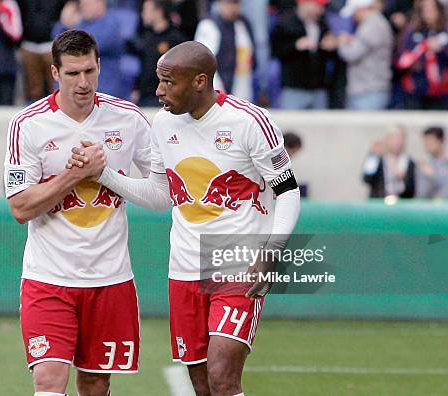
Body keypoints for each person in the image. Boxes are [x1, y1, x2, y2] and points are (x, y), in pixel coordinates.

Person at [68, 41, 301, 396]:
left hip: (236, 265)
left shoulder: (249, 121)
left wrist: (273, 250)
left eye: (168, 82)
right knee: (202, 383)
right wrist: (104, 175)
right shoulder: (163, 125)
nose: (159, 90)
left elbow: (288, 191)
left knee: (223, 375)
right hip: (184, 269)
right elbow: (162, 196)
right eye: (158, 81)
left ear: (200, 82)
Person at [4, 29, 151, 396]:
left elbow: (162, 191)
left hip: (109, 278)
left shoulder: (129, 119)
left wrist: (106, 175)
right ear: (55, 73)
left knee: (96, 385)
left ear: (100, 66)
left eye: (89, 71)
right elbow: (20, 207)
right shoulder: (29, 125)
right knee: (49, 381)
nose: (82, 82)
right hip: (48, 278)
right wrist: (74, 175)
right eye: (72, 73)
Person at [271, 0, 338, 109]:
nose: (321, 10)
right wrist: (295, 46)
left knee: (321, 125)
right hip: (294, 88)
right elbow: (275, 51)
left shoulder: (322, 24)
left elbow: (328, 56)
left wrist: (332, 46)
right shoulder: (285, 22)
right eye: (318, 6)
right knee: (291, 124)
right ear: (305, 4)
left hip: (318, 88)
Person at [52, 0, 127, 98]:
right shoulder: (82, 22)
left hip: (105, 88)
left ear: (100, 3)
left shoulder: (112, 24)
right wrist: (63, 22)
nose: (83, 8)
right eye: (82, 5)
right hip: (74, 89)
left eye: (87, 4)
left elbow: (88, 45)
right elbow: (56, 42)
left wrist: (73, 25)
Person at [195, 0, 256, 101]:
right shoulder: (209, 25)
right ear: (219, 3)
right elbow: (203, 63)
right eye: (229, 3)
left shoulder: (243, 24)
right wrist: (217, 94)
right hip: (216, 92)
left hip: (241, 87)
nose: (233, 7)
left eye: (236, 3)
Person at [338, 0, 394, 110]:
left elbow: (351, 54)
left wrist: (341, 42)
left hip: (369, 90)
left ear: (361, 9)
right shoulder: (374, 23)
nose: (353, 17)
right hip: (367, 89)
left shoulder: (372, 25)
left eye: (354, 12)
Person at [396, 0, 448, 110]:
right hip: (416, 91)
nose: (428, 13)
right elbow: (401, 60)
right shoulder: (411, 32)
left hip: (443, 92)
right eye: (425, 10)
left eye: (432, 9)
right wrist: (420, 53)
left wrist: (442, 50)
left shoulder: (447, 32)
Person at [130, 0, 186, 106]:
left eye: (145, 10)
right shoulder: (147, 38)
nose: (143, 15)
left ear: (158, 12)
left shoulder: (176, 40)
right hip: (145, 97)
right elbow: (144, 67)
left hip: (166, 97)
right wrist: (136, 88)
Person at [363, 125, 416, 198]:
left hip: (401, 203)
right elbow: (367, 178)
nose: (397, 142)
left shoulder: (410, 162)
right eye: (394, 138)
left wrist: (404, 178)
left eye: (400, 138)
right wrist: (373, 156)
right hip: (380, 201)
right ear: (387, 140)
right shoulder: (378, 159)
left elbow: (412, 189)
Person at [417, 126, 448, 198]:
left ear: (441, 140)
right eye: (426, 142)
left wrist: (434, 175)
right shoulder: (424, 164)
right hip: (430, 207)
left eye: (430, 141)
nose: (427, 145)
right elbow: (421, 194)